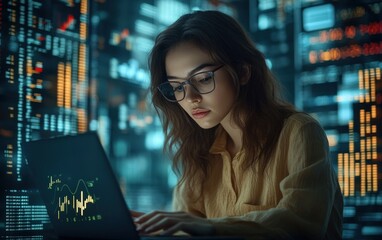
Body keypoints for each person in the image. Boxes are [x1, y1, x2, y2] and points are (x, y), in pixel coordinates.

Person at [133, 10, 343, 239]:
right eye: (177, 87)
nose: (191, 98)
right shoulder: (199, 154)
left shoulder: (298, 132)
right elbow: (183, 229)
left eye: (203, 78)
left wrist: (213, 228)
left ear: (243, 71)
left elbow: (300, 224)